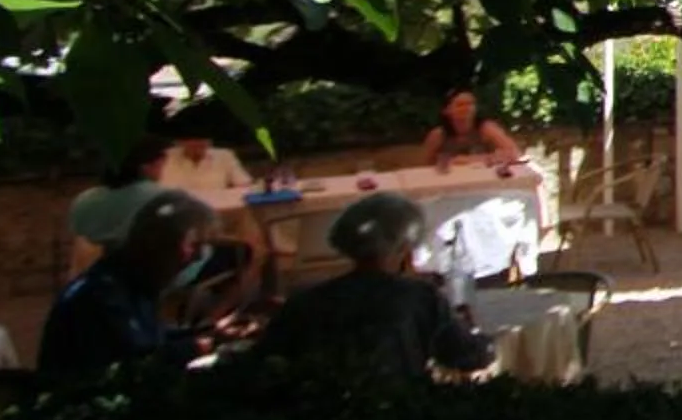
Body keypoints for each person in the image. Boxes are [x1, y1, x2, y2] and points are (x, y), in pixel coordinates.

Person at [255, 193, 496, 383]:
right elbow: (467, 357)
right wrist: (475, 333)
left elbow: (266, 360)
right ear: (404, 248)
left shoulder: (304, 301)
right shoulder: (419, 297)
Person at [39, 193, 220, 377]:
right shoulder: (101, 296)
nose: (198, 256)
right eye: (193, 245)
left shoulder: (133, 281)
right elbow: (136, 365)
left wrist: (212, 332)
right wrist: (198, 347)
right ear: (160, 244)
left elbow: (151, 338)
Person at [157, 122, 269, 303]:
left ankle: (235, 304)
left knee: (257, 247)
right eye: (193, 139)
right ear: (180, 141)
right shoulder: (165, 159)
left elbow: (245, 186)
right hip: (181, 226)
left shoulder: (224, 156)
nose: (199, 144)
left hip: (221, 222)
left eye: (203, 138)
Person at [65, 134, 171, 268]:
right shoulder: (161, 198)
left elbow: (79, 235)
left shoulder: (83, 200)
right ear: (148, 166)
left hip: (90, 277)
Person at [424, 87, 525, 170]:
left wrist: (468, 160)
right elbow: (425, 167)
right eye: (460, 105)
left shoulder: (486, 129)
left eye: (470, 104)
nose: (467, 108)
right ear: (447, 110)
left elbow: (516, 154)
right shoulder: (438, 135)